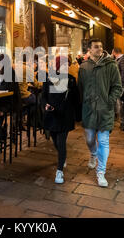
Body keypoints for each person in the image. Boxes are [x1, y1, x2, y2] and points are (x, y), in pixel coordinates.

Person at [78, 38, 122, 187]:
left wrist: (109, 101)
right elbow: (80, 89)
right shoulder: (83, 67)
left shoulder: (111, 65)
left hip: (105, 110)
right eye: (96, 47)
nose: (99, 49)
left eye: (101, 47)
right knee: (90, 139)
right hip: (89, 110)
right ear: (89, 49)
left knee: (103, 141)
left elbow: (117, 86)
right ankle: (93, 154)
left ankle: (101, 172)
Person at [42, 55, 79, 184]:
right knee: (55, 140)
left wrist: (76, 116)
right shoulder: (49, 78)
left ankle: (59, 171)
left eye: (68, 64)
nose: (67, 66)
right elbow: (44, 96)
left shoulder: (71, 80)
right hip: (52, 115)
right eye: (64, 64)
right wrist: (46, 105)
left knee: (61, 142)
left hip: (65, 116)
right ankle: (62, 158)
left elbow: (75, 99)